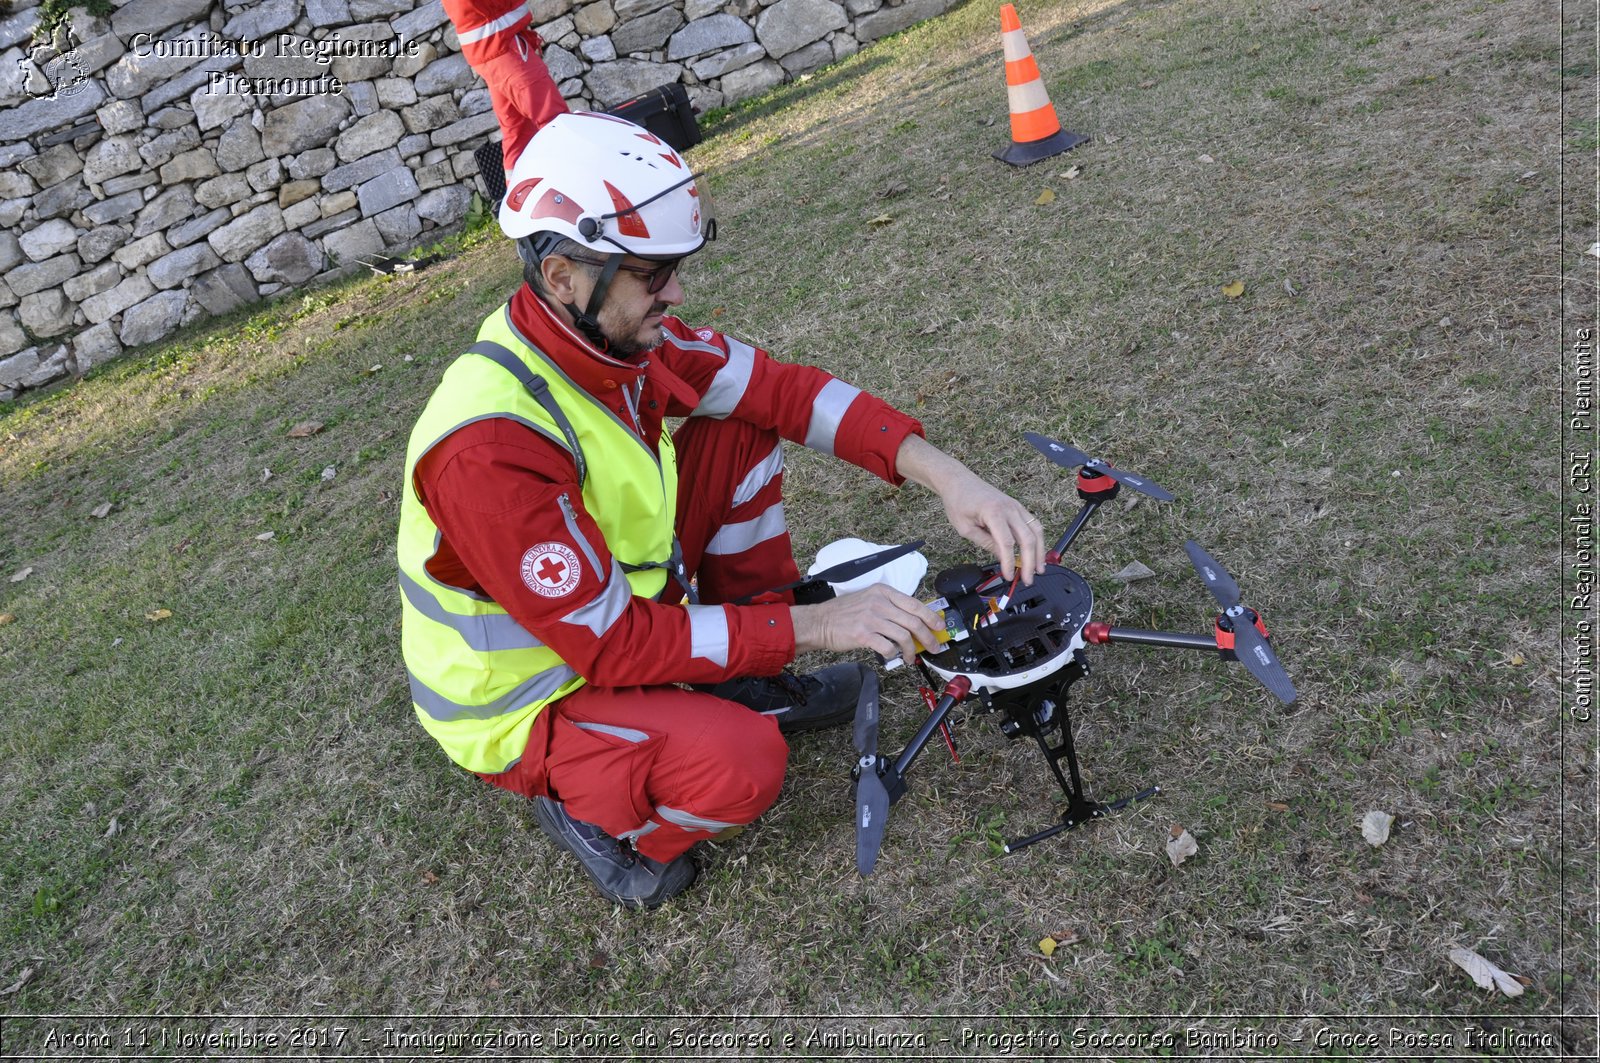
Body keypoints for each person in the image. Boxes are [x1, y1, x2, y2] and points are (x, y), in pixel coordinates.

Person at [398, 112, 1046, 907]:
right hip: (535, 696)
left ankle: (738, 676)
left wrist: (950, 477)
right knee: (746, 765)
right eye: (651, 272)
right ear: (562, 275)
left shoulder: (614, 339)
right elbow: (610, 645)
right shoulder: (489, 448)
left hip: (611, 622)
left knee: (743, 422)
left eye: (674, 266)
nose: (675, 291)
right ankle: (601, 822)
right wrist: (818, 623)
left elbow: (784, 391)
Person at [440, 0, 569, 173]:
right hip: (500, 42)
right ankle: (588, 186)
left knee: (519, 133)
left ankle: (517, 196)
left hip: (493, 44)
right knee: (555, 119)